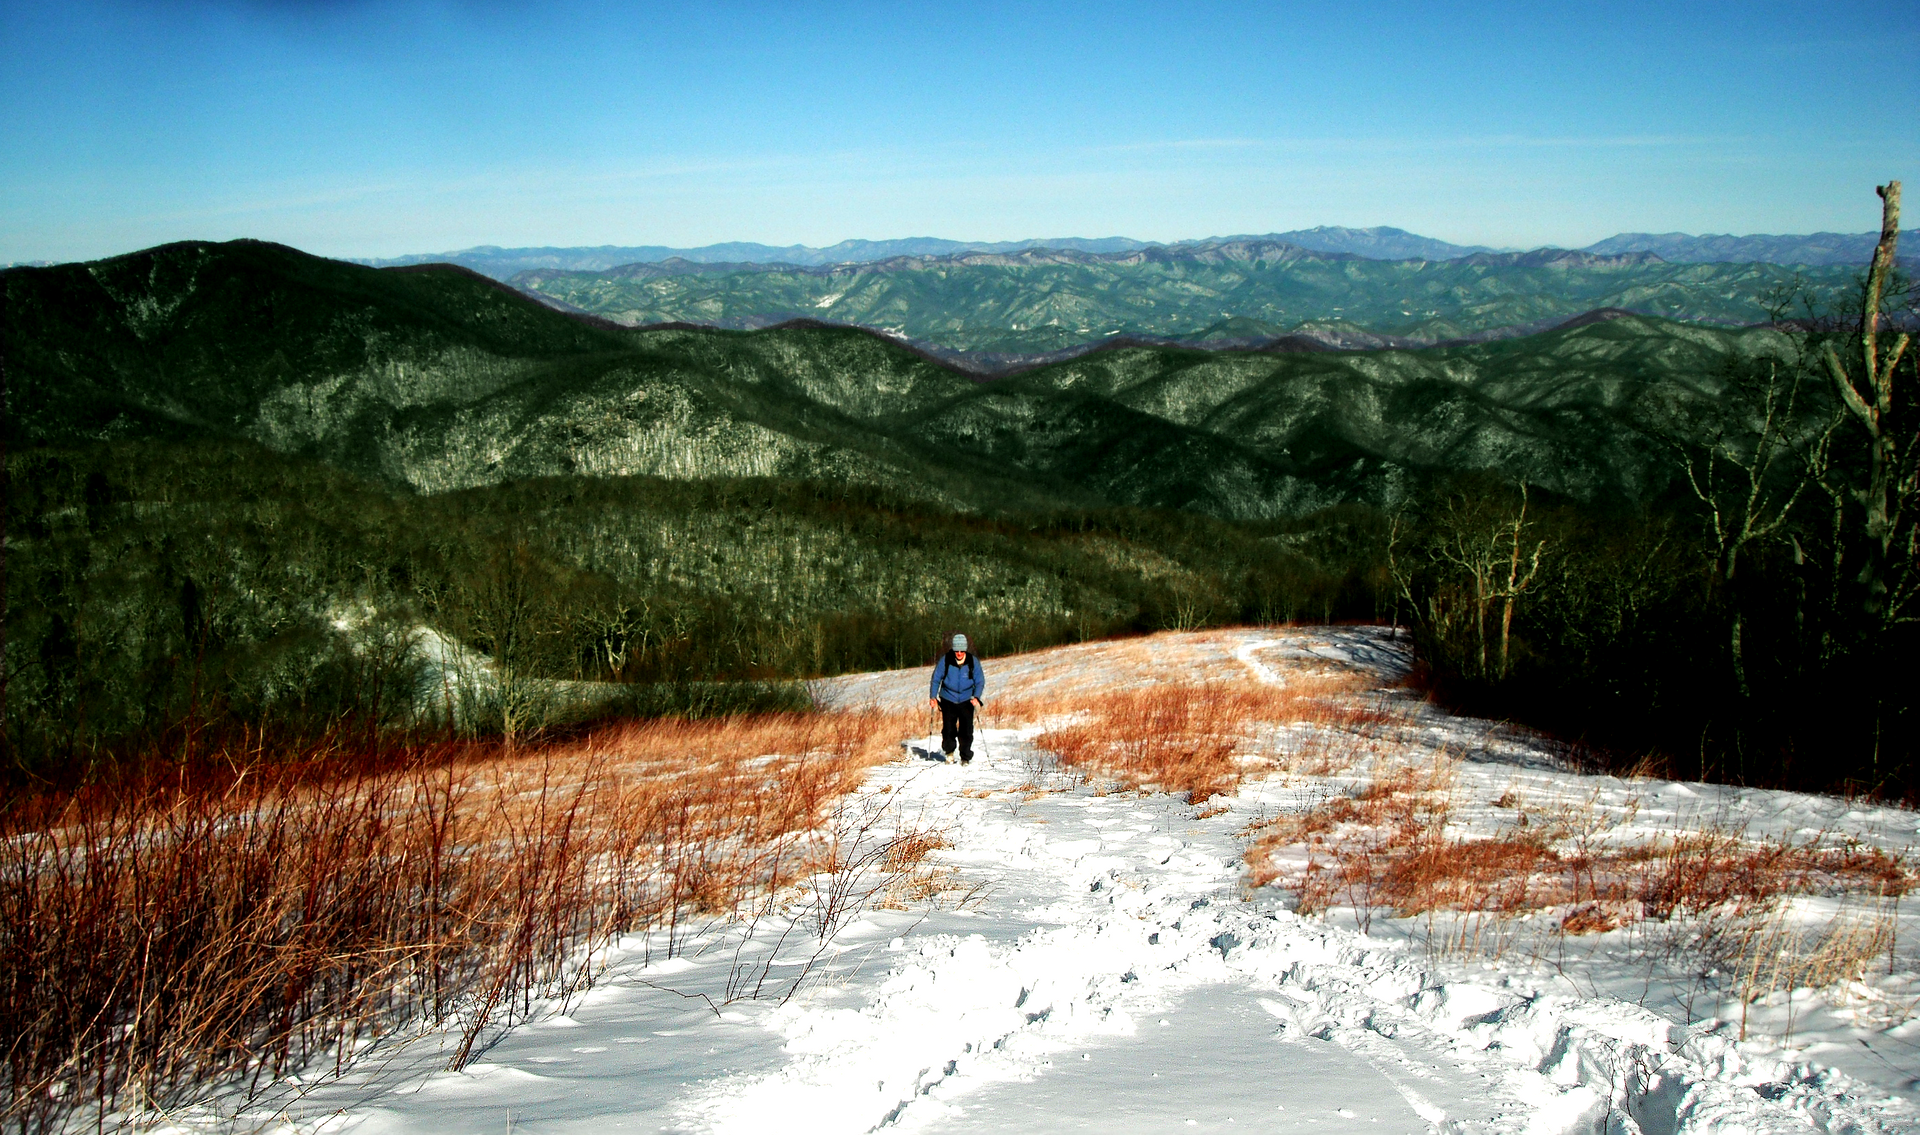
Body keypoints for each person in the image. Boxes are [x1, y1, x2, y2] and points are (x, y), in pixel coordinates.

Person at [927, 632, 985, 764]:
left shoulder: (972, 662)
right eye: (956, 650)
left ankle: (965, 757)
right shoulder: (946, 660)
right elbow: (936, 679)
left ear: (965, 650)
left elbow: (980, 681)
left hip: (966, 699)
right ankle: (949, 753)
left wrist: (976, 696)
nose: (959, 653)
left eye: (961, 650)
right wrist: (933, 697)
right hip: (948, 698)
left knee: (966, 731)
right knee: (948, 729)